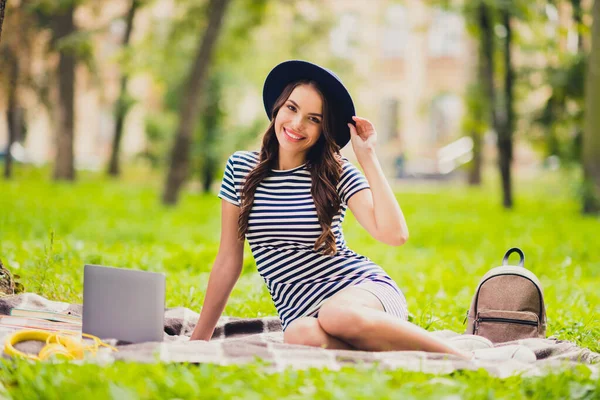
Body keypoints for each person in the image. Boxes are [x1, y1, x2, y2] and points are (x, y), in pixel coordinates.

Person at [189, 60, 535, 362]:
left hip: (359, 291)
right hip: (301, 312)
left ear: (324, 129)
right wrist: (198, 340)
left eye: (313, 119)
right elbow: (227, 260)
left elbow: (394, 234)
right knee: (299, 335)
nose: (297, 125)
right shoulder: (241, 169)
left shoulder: (334, 172)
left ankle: (471, 358)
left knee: (338, 316)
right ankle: (402, 346)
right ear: (278, 108)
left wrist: (367, 156)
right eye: (292, 109)